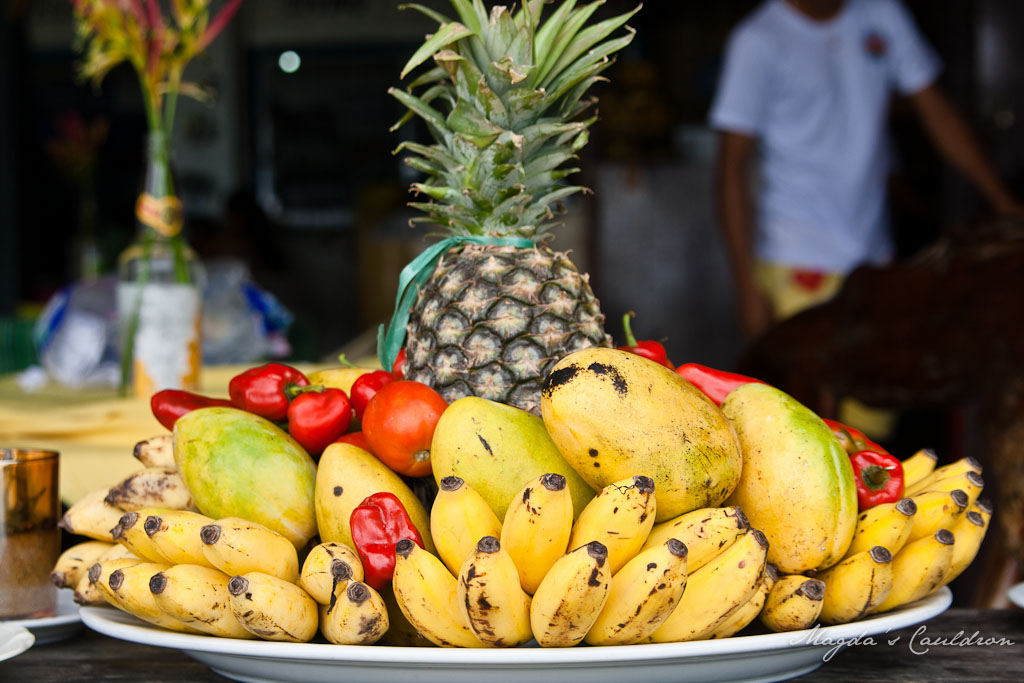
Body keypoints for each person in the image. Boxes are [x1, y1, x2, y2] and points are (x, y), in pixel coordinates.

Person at [710, 0, 1024, 340]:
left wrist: (1003, 202)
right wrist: (746, 286)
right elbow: (731, 167)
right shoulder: (758, 40)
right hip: (798, 259)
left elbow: (937, 114)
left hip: (874, 259)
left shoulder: (882, 14)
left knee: (881, 386)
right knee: (807, 391)